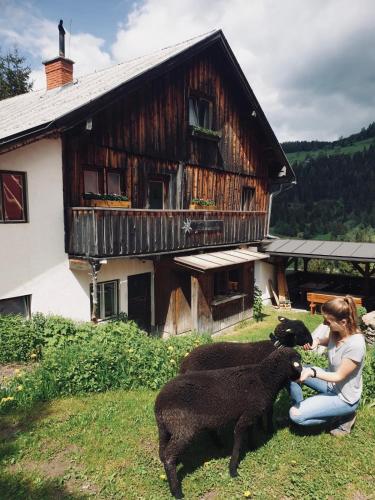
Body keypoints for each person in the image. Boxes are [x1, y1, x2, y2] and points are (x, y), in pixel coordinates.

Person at [289, 295, 366, 436]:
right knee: (293, 371)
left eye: (328, 321)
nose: (324, 324)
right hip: (330, 385)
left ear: (343, 322)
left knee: (295, 415)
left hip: (343, 397)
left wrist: (312, 371)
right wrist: (317, 342)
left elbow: (338, 376)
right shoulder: (336, 331)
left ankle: (343, 416)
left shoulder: (356, 344)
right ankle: (300, 406)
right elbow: (329, 341)